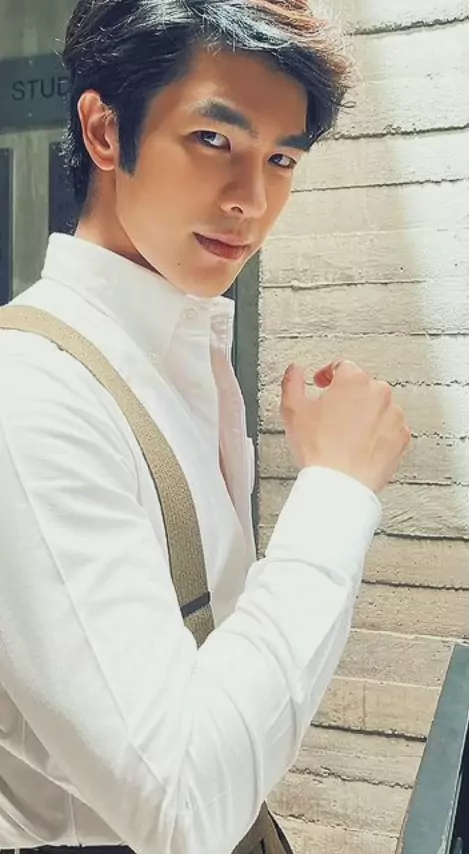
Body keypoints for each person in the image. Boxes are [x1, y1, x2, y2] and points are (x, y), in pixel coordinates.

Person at [0, 1, 410, 853]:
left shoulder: (185, 355)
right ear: (106, 131)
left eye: (282, 158)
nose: (251, 201)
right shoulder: (31, 393)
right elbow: (183, 804)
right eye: (214, 139)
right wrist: (336, 491)